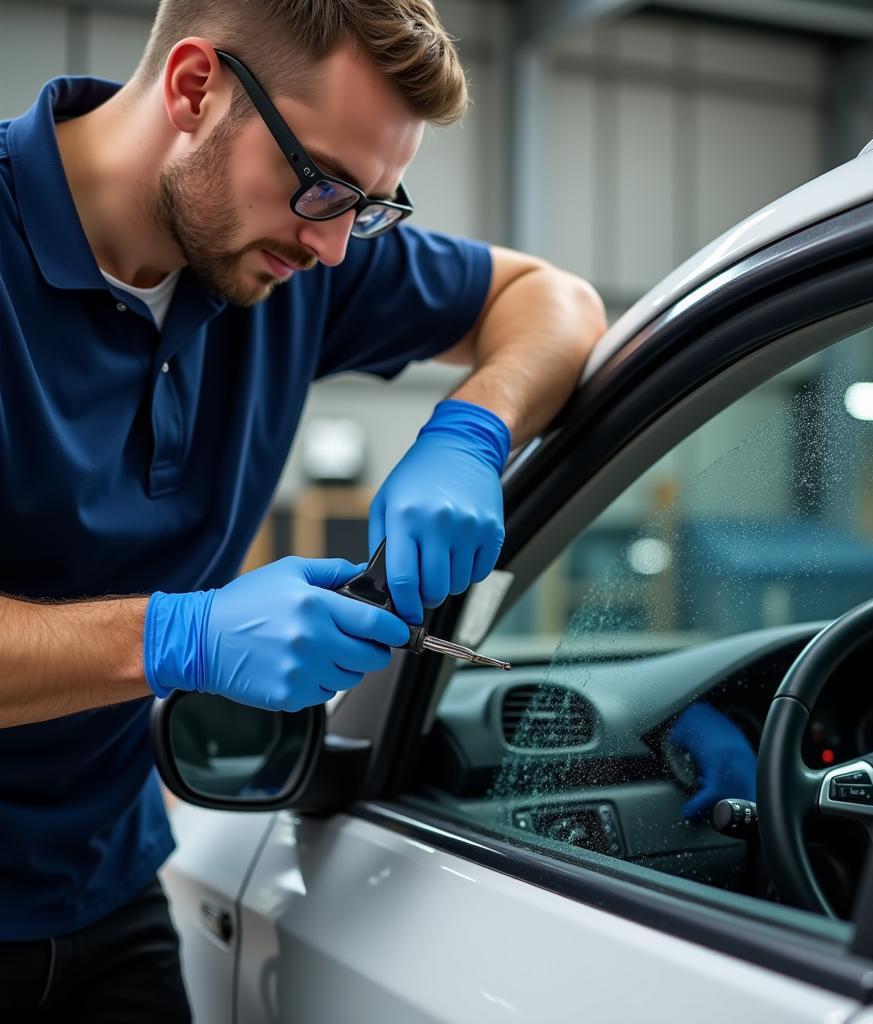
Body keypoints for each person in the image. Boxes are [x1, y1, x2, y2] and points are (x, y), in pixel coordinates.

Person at [0, 1, 607, 1019]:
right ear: (195, 87)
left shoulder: (276, 254)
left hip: (102, 890)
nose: (331, 250)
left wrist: (470, 435)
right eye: (323, 186)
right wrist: (177, 636)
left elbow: (557, 301)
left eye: (367, 206)